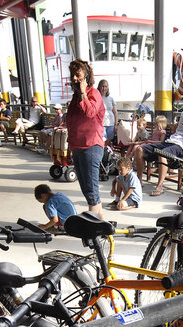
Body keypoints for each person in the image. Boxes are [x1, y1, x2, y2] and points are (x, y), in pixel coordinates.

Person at [132, 93, 183, 196]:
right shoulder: (182, 114)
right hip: (171, 142)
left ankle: (160, 186)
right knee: (139, 150)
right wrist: (175, 126)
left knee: (162, 154)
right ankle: (138, 181)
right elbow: (181, 126)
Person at [66, 59, 105, 218]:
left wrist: (83, 93)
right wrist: (70, 147)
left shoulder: (93, 94)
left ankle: (92, 228)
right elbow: (71, 123)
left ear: (86, 76)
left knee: (91, 190)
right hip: (78, 147)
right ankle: (100, 223)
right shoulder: (75, 98)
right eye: (72, 75)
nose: (74, 78)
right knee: (87, 190)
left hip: (91, 146)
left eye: (78, 75)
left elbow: (90, 113)